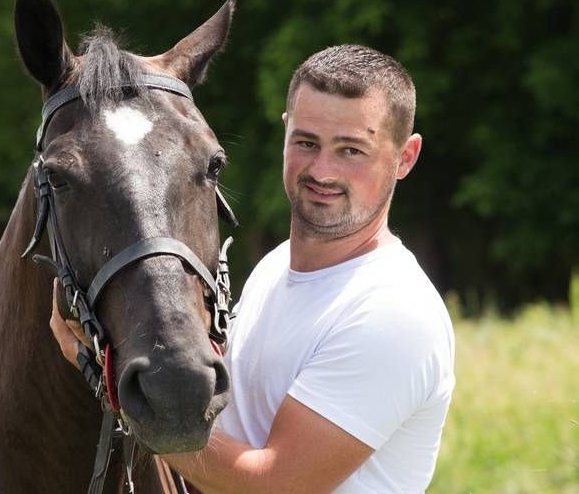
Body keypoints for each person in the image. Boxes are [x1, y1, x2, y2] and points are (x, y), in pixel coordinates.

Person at [51, 44, 455, 494]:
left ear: (405, 157)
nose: (322, 171)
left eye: (351, 150)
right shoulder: (276, 267)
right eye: (307, 143)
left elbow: (273, 484)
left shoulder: (393, 313)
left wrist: (115, 389)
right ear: (285, 132)